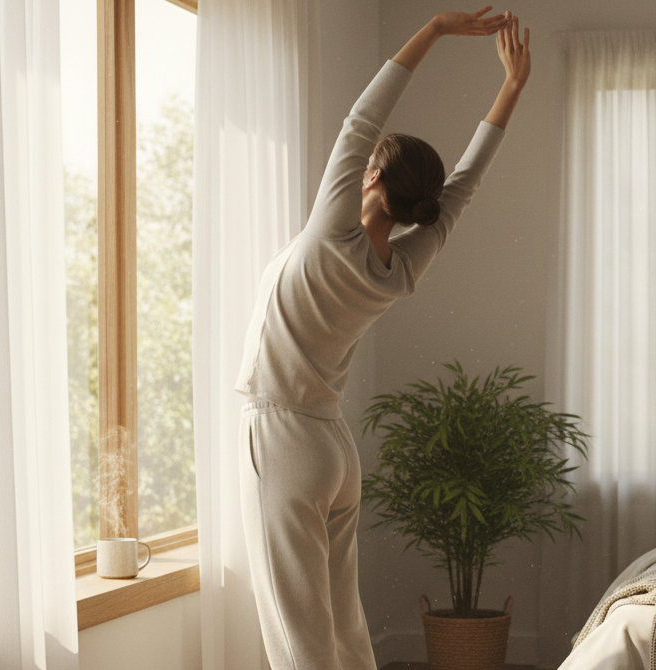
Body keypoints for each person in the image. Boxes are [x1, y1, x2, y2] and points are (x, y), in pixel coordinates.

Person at [234, 7, 531, 670]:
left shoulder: (328, 234)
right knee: (343, 631)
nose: (359, 156)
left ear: (369, 177)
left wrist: (434, 29)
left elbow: (362, 120)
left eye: (366, 159)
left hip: (283, 438)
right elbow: (464, 185)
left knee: (299, 639)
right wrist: (510, 88)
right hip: (334, 450)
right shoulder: (399, 267)